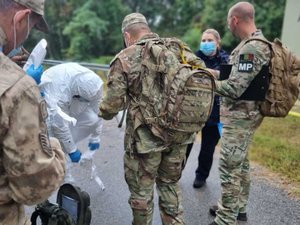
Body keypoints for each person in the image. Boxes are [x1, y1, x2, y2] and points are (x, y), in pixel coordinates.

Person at [99, 13, 204, 225]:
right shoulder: (179, 49)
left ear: (128, 35)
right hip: (179, 136)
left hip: (144, 143)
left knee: (142, 195)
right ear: (147, 29)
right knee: (170, 185)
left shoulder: (126, 57)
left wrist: (100, 110)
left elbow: (112, 106)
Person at [0, 0, 66, 224]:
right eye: (29, 29)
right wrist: (55, 148)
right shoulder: (18, 88)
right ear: (21, 18)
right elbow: (35, 188)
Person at [208, 2, 271, 225]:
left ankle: (226, 218)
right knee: (241, 164)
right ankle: (237, 208)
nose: (228, 26)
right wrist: (212, 72)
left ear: (235, 20)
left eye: (228, 21)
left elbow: (234, 88)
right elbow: (237, 78)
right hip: (242, 116)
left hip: (241, 118)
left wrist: (206, 82)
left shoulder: (252, 48)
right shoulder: (249, 45)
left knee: (230, 166)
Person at [185, 29, 229, 188]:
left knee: (207, 148)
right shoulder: (194, 58)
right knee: (185, 144)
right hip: (193, 110)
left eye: (209, 40)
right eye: (203, 40)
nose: (205, 43)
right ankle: (176, 173)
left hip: (215, 112)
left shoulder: (226, 59)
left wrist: (209, 72)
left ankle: (201, 176)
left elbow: (229, 77)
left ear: (218, 43)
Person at [39, 62, 103, 163]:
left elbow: (99, 111)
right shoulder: (59, 94)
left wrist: (96, 136)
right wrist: (72, 150)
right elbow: (58, 124)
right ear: (76, 95)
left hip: (72, 93)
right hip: (50, 97)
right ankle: (54, 162)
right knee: (50, 135)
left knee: (92, 119)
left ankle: (65, 146)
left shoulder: (96, 85)